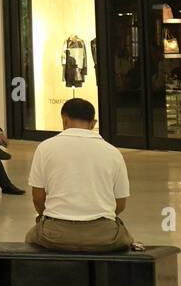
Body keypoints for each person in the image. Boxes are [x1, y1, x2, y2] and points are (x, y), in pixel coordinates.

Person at [25, 98, 133, 252]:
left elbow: (38, 199)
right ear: (93, 123)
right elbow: (120, 204)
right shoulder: (113, 152)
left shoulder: (45, 148)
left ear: (64, 119)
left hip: (55, 234)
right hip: (103, 236)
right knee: (126, 237)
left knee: (31, 238)